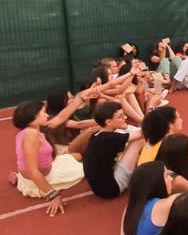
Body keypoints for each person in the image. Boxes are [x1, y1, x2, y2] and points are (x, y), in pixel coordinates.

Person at [12, 88, 98, 216]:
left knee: (78, 156)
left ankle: (18, 178)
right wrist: (53, 195)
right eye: (43, 112)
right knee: (88, 168)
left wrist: (82, 98)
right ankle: (27, 182)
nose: (47, 115)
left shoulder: (32, 127)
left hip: (49, 166)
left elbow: (61, 117)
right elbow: (32, 171)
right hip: (45, 177)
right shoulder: (31, 135)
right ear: (34, 116)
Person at [82, 102, 144, 199]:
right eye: (120, 116)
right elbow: (142, 133)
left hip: (101, 187)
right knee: (138, 140)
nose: (125, 118)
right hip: (112, 189)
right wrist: (152, 110)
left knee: (130, 146)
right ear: (108, 122)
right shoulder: (109, 138)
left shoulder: (97, 135)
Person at [43, 89, 98, 156]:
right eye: (69, 99)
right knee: (91, 130)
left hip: (72, 144)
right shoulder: (50, 119)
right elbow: (80, 124)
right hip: (63, 148)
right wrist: (104, 119)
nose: (73, 100)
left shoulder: (68, 115)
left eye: (72, 97)